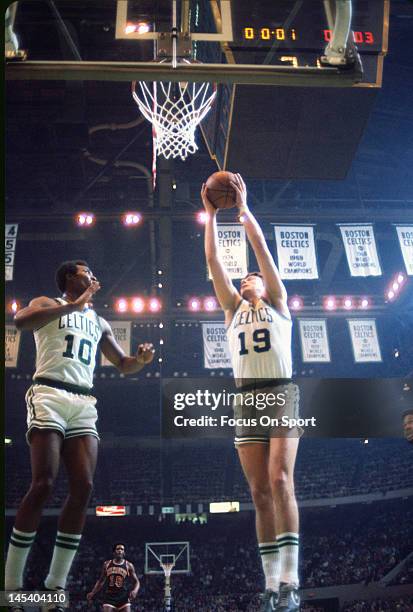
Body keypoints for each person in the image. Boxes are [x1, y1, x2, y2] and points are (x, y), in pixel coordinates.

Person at [4, 261, 154, 611]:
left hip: (83, 400)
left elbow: (122, 364)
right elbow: (19, 322)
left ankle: (54, 587)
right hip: (49, 393)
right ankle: (11, 583)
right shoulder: (48, 303)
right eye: (84, 270)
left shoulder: (100, 322)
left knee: (84, 487)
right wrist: (74, 304)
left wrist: (141, 361)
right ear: (69, 277)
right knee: (43, 483)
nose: (91, 274)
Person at [202, 176, 302, 612]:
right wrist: (210, 216)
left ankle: (291, 579)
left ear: (264, 284)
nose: (246, 278)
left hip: (280, 393)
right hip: (246, 400)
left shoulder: (278, 302)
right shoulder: (231, 309)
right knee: (260, 492)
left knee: (281, 480)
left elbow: (260, 248)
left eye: (252, 277)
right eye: (243, 278)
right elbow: (213, 261)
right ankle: (270, 586)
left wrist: (242, 209)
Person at [87, 543, 140, 611]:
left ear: (124, 552)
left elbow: (137, 582)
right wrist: (93, 592)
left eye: (122, 549)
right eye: (118, 549)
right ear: (114, 552)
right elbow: (101, 581)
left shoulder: (129, 565)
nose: (120, 550)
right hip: (110, 597)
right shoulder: (107, 564)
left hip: (123, 597)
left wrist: (135, 591)